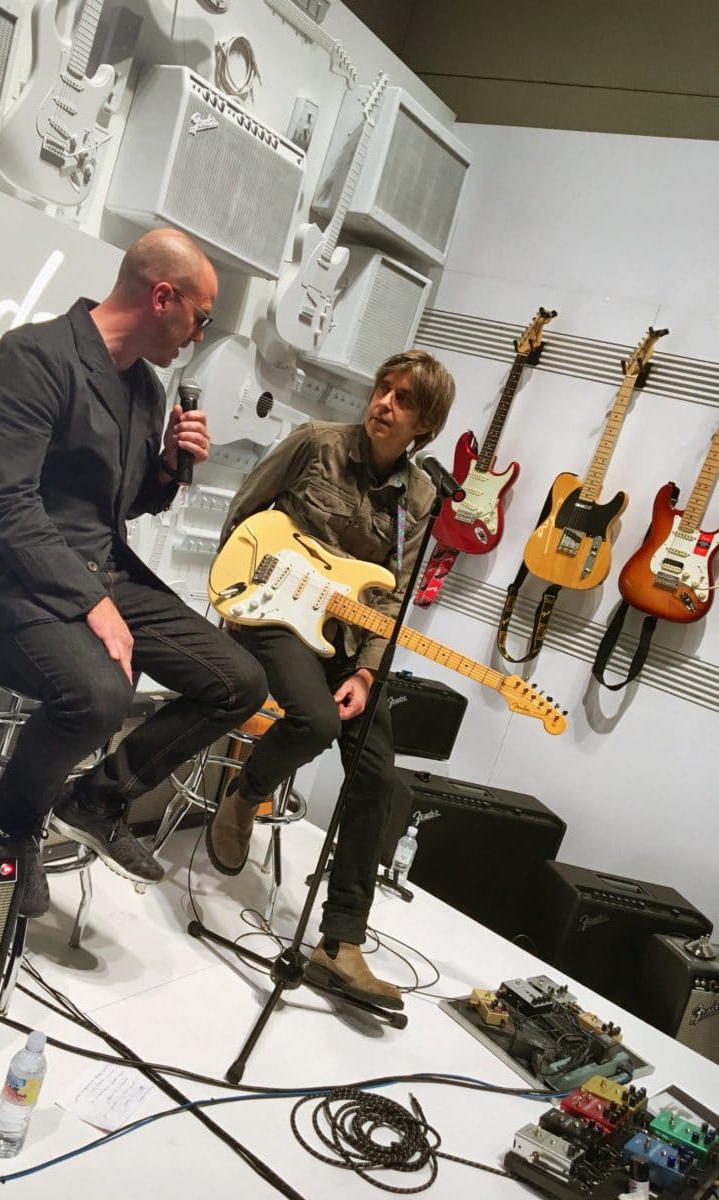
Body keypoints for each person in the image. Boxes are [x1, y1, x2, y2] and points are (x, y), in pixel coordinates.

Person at [0, 228, 267, 916]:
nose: (199, 335)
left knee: (239, 683)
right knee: (101, 696)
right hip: (13, 574)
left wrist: (170, 467)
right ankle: (12, 824)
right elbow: (6, 506)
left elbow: (125, 503)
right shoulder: (31, 359)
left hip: (100, 567)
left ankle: (96, 799)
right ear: (162, 297)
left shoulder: (146, 390)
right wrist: (95, 605)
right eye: (200, 317)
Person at [206, 350, 455, 1009]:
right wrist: (236, 595)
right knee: (315, 722)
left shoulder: (420, 498)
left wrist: (368, 673)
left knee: (377, 777)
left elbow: (392, 598)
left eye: (404, 399)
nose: (384, 403)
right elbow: (243, 515)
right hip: (273, 617)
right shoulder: (315, 444)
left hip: (344, 639)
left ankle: (340, 941)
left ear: (425, 426)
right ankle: (246, 795)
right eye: (384, 388)